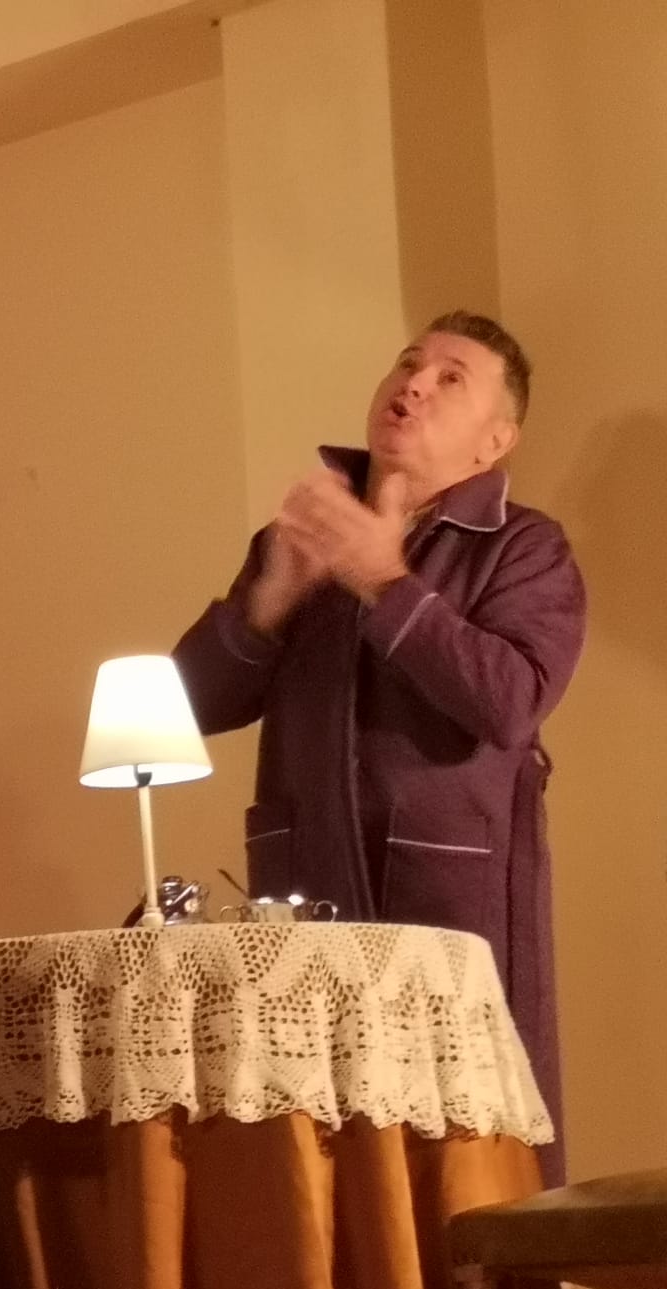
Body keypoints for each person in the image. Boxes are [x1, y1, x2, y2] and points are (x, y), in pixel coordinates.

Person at [173, 311, 586, 1180]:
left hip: (454, 926)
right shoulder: (298, 543)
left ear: (494, 442)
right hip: (302, 917)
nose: (414, 384)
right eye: (408, 363)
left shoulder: (524, 548)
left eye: (450, 378)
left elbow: (510, 702)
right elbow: (188, 706)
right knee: (317, 1185)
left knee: (464, 1180)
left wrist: (385, 582)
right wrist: (266, 607)